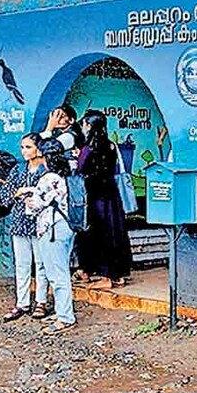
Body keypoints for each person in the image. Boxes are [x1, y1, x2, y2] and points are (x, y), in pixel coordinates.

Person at [76, 110, 132, 290]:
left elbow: (81, 169)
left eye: (85, 124)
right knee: (116, 232)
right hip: (111, 195)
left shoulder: (89, 148)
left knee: (99, 234)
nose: (83, 127)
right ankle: (118, 275)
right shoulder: (110, 145)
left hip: (95, 196)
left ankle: (106, 277)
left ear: (89, 125)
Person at [26, 139, 76, 334]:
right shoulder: (69, 173)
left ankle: (65, 318)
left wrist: (28, 197)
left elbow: (34, 206)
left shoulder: (47, 179)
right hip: (67, 226)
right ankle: (63, 311)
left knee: (57, 274)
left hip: (52, 228)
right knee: (61, 269)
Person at [0, 133, 51, 322]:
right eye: (22, 147)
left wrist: (32, 193)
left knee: (41, 263)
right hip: (20, 222)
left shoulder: (47, 171)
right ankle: (22, 303)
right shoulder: (18, 169)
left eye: (28, 147)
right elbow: (5, 195)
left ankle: (41, 302)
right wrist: (18, 193)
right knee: (21, 264)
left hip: (40, 223)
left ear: (39, 148)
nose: (24, 151)